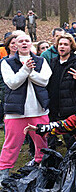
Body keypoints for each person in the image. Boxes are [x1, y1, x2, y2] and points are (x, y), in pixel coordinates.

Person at [0, 34, 51, 181]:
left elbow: (44, 81)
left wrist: (29, 72)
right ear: (15, 44)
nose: (24, 43)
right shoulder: (6, 62)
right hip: (15, 113)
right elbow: (12, 83)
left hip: (39, 111)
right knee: (11, 144)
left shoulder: (41, 60)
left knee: (42, 142)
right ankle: (4, 172)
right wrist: (25, 70)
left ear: (31, 44)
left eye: (27, 41)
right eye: (20, 41)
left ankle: (41, 166)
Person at [47, 34, 76, 148]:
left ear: (71, 47)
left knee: (71, 140)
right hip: (53, 105)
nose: (62, 47)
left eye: (66, 44)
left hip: (70, 107)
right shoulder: (52, 62)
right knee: (51, 136)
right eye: (60, 44)